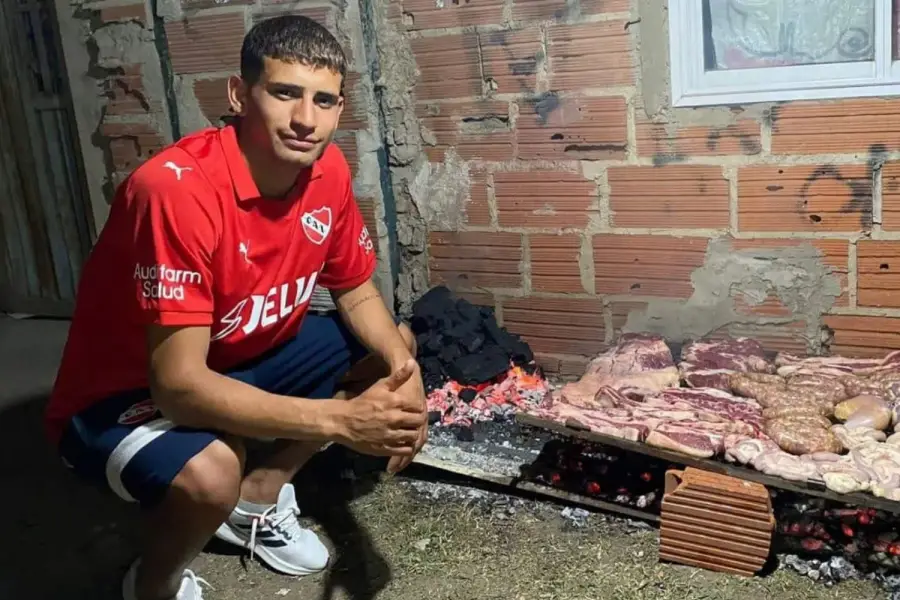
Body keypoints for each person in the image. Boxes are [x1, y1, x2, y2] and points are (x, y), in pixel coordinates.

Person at [44, 14, 428, 600]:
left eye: (324, 100)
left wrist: (410, 377)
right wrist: (341, 423)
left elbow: (356, 289)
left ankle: (258, 497)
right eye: (284, 93)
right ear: (238, 94)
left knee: (391, 349)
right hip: (124, 394)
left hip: (232, 358)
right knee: (211, 471)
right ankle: (153, 584)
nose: (306, 119)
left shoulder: (327, 170)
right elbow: (177, 388)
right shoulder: (175, 190)